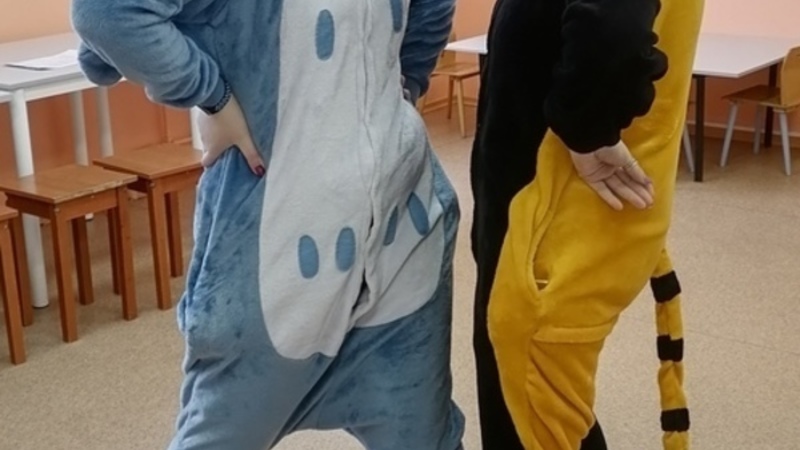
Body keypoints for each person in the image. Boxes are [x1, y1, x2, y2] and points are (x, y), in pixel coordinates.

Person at [71, 1, 465, 449]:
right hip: (271, 249)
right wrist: (212, 95)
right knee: (224, 430)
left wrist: (401, 88)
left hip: (401, 234)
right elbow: (108, 14)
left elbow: (433, 8)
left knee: (422, 434)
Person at [470, 0, 703, 448]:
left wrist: (587, 126)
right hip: (538, 209)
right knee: (545, 401)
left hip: (547, 220)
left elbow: (613, 30)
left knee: (530, 403)